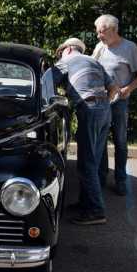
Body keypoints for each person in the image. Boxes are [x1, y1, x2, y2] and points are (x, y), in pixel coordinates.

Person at [53, 38, 118, 225]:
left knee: (86, 164)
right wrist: (101, 101)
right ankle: (86, 203)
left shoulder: (66, 61)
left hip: (89, 109)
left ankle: (95, 211)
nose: (59, 55)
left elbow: (46, 83)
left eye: (60, 51)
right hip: (104, 109)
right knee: (94, 161)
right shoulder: (94, 61)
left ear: (69, 48)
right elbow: (113, 89)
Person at [93, 14, 137, 196]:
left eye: (101, 31)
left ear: (114, 29)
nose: (98, 36)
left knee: (120, 141)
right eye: (97, 32)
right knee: (101, 140)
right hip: (101, 101)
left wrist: (128, 88)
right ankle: (101, 176)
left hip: (120, 101)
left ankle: (121, 179)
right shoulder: (100, 47)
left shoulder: (129, 48)